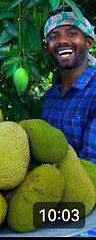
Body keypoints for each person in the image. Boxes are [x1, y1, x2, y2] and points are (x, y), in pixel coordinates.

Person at [41, 11, 96, 163]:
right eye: (54, 37)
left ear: (88, 42)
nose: (62, 41)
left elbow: (92, 163)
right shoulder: (51, 96)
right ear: (48, 48)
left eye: (72, 34)